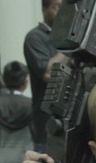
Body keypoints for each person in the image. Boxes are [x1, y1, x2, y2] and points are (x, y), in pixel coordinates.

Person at [23, 0, 67, 153]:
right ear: (44, 9)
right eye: (57, 7)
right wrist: (71, 47)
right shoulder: (35, 38)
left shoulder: (68, 35)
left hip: (74, 118)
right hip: (48, 122)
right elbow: (49, 73)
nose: (62, 12)